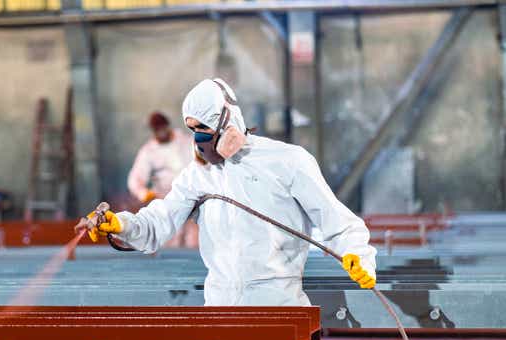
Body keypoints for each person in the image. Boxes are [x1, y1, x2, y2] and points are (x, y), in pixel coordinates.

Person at [79, 78, 377, 306]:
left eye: (203, 127)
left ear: (229, 120)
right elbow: (157, 223)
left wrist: (358, 255)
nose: (198, 138)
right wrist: (121, 224)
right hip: (221, 310)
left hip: (278, 308)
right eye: (192, 128)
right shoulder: (198, 176)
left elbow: (338, 222)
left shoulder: (288, 161)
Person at [127, 112, 197, 248]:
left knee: (194, 240)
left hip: (192, 197)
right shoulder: (148, 151)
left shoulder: (186, 140)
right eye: (157, 130)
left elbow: (202, 163)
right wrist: (143, 193)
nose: (161, 132)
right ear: (153, 131)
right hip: (167, 200)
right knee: (171, 241)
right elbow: (135, 179)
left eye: (163, 128)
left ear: (168, 126)